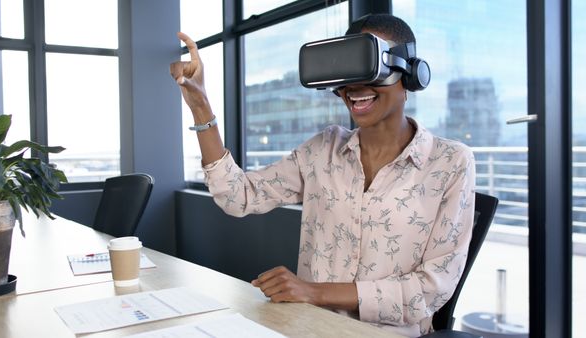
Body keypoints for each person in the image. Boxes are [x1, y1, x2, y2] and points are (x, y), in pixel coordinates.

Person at [170, 13, 476, 337]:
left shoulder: (450, 162)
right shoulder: (324, 150)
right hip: (309, 329)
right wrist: (200, 105)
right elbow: (237, 196)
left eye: (367, 65)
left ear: (411, 73)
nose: (353, 86)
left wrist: (313, 292)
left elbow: (432, 288)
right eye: (345, 69)